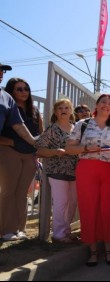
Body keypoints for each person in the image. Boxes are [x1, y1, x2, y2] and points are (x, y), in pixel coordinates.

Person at [65, 94, 110, 267]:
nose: (106, 105)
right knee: (88, 208)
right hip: (87, 169)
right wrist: (86, 147)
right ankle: (92, 251)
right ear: (96, 105)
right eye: (103, 102)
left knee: (109, 209)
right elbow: (69, 148)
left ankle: (108, 250)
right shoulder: (82, 124)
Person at [0, 78, 43, 242]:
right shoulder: (7, 107)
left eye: (26, 88)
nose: (24, 92)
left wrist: (38, 150)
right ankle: (6, 230)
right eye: (19, 89)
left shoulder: (34, 110)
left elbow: (40, 133)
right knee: (8, 191)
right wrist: (12, 142)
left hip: (30, 155)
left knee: (23, 192)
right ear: (11, 91)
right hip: (9, 152)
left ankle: (20, 228)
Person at [35, 99, 79, 243]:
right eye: (60, 108)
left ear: (71, 111)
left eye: (66, 107)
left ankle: (66, 231)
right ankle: (58, 234)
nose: (63, 110)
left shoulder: (76, 128)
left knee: (72, 202)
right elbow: (39, 150)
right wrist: (55, 151)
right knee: (61, 202)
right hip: (57, 171)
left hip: (75, 171)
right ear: (55, 112)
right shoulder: (52, 129)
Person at [0, 63, 36, 145]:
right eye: (19, 89)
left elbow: (19, 126)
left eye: (2, 70)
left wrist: (36, 144)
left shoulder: (7, 98)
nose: (1, 73)